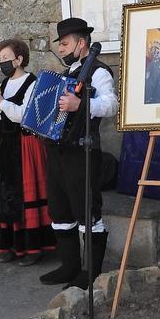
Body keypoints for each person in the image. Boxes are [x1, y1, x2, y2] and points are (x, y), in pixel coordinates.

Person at [38, 19, 118, 289]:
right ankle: (69, 266)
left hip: (83, 151)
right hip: (58, 151)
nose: (61, 49)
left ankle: (90, 272)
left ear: (81, 43)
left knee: (87, 212)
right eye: (60, 44)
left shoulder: (98, 72)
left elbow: (111, 105)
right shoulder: (68, 73)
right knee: (60, 210)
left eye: (65, 43)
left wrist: (80, 104)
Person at [0, 39, 55, 265]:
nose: (2, 62)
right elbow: (0, 119)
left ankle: (32, 249)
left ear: (19, 59)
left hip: (24, 144)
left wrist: (0, 103)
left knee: (25, 196)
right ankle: (10, 244)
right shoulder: (2, 84)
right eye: (0, 58)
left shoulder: (32, 83)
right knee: (5, 195)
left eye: (6, 58)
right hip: (3, 144)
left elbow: (24, 115)